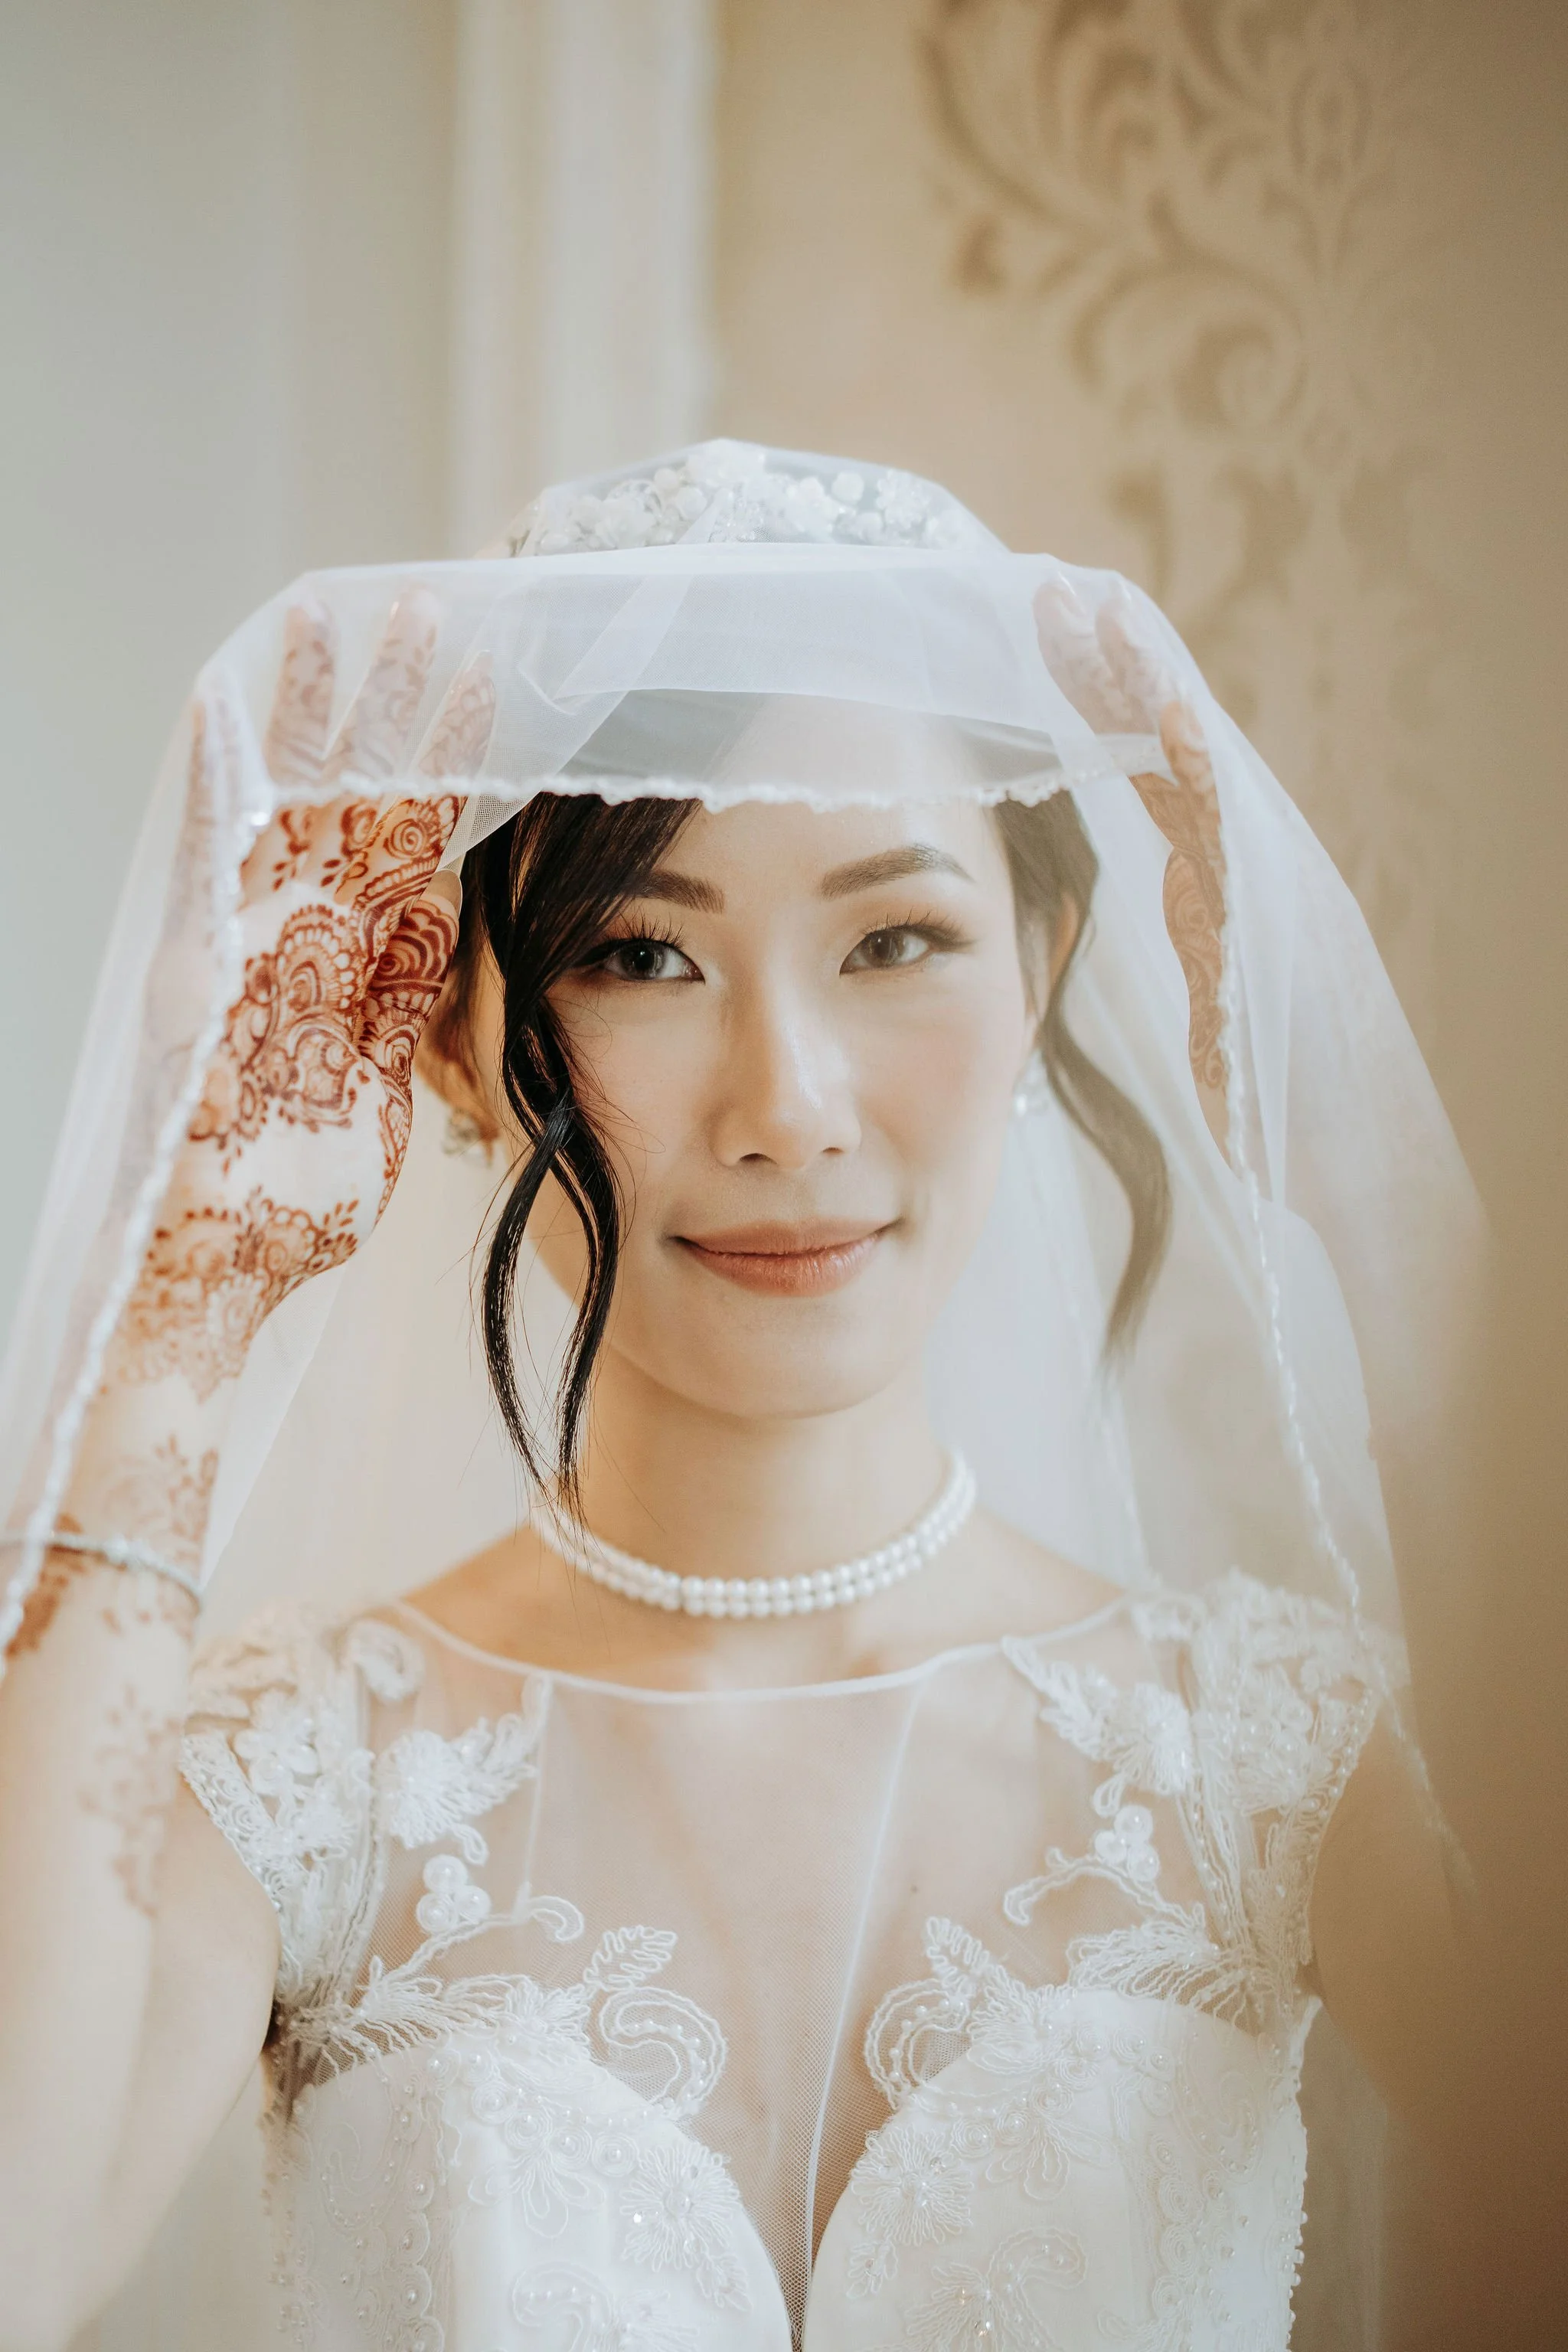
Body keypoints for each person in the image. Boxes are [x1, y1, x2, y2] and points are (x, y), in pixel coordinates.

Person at [0, 445, 1478, 2351]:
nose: (786, 1109)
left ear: (1040, 971)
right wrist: (184, 1305)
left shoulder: (1266, 1754)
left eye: (895, 940)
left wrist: (1367, 1205)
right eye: (639, 954)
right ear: (448, 1035)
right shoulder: (297, 1776)